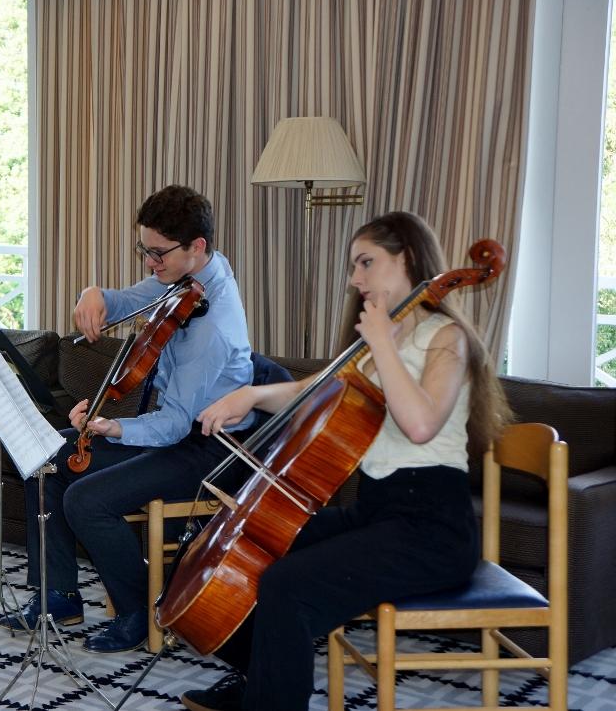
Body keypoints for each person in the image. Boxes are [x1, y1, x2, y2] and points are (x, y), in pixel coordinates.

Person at [179, 211, 512, 711]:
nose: (355, 278)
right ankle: (264, 683)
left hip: (432, 530)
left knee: (287, 585)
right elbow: (312, 390)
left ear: (407, 259)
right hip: (376, 512)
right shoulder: (380, 343)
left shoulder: (446, 338)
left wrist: (381, 343)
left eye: (366, 262)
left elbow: (421, 424)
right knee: (245, 548)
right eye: (354, 266)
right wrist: (251, 395)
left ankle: (270, 699)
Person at [0, 185, 256, 653]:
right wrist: (92, 294)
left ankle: (141, 612)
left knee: (86, 500)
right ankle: (58, 596)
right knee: (46, 457)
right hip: (172, 431)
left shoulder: (214, 326)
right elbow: (125, 301)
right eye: (145, 250)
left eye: (158, 253)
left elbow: (175, 425)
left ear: (196, 246)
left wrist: (112, 427)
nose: (150, 263)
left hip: (207, 447)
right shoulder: (185, 280)